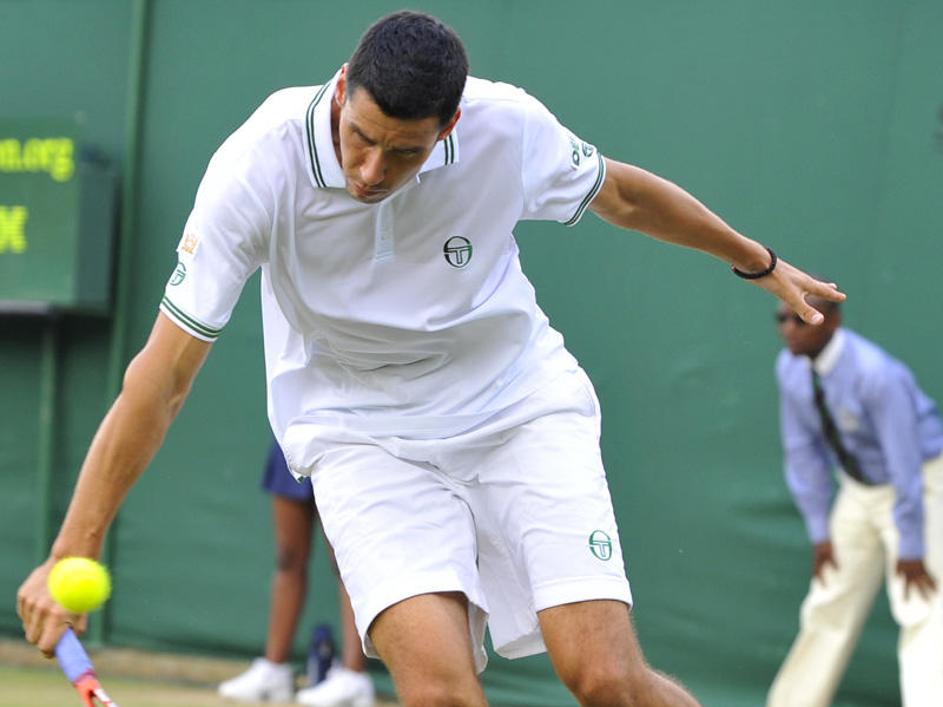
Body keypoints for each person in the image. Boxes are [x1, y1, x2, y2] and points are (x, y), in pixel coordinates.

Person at [17, 11, 844, 707]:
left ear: (448, 127)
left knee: (605, 678)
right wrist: (71, 549)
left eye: (403, 152)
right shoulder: (254, 168)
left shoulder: (505, 127)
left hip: (517, 406)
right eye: (360, 138)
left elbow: (622, 194)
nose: (371, 170)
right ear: (340, 92)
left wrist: (758, 261)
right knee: (439, 693)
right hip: (358, 434)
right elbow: (159, 379)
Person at [767, 298, 943, 707]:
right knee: (827, 600)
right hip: (857, 490)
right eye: (781, 318)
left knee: (922, 606)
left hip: (922, 484)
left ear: (831, 321)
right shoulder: (789, 368)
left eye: (798, 319)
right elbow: (802, 453)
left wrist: (912, 546)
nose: (787, 330)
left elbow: (905, 469)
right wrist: (819, 530)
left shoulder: (877, 375)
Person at [218, 441, 374, 706]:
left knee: (346, 562)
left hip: (342, 440)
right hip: (292, 436)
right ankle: (274, 671)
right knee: (287, 559)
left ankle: (353, 678)